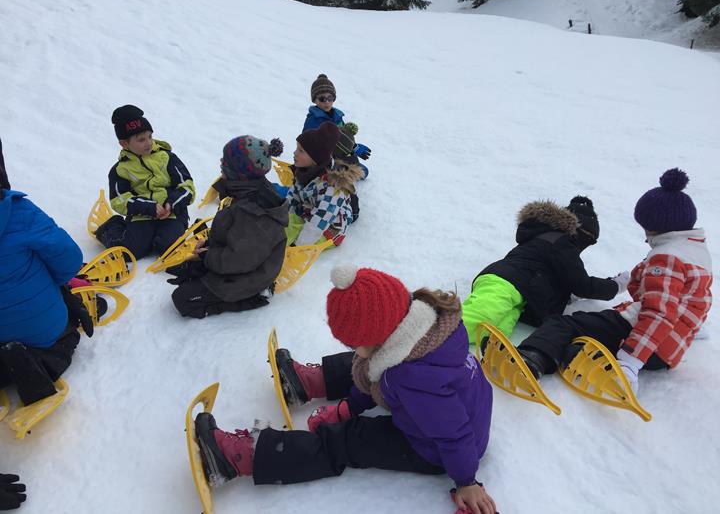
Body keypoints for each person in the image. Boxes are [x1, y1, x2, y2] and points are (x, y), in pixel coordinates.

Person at [193, 265, 497, 514]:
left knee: (349, 440)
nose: (356, 349)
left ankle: (245, 457)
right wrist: (349, 405)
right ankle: (307, 382)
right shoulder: (425, 328)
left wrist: (466, 480)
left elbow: (453, 433)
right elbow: (377, 373)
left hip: (437, 449)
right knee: (363, 365)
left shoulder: (413, 379)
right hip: (449, 409)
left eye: (356, 343)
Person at [517, 169, 712, 393]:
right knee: (579, 340)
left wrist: (630, 362)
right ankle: (583, 358)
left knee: (563, 324)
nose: (645, 236)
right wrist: (690, 328)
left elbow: (659, 313)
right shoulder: (696, 251)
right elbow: (695, 298)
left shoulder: (666, 258)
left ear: (658, 227)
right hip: (664, 353)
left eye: (646, 229)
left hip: (642, 342)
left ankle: (531, 359)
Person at [462, 196, 623, 347]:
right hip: (505, 283)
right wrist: (616, 285)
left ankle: (457, 351)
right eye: (589, 238)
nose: (587, 244)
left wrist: (567, 295)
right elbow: (582, 284)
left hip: (519, 293)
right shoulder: (560, 241)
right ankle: (439, 337)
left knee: (493, 331)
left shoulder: (548, 240)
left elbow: (562, 278)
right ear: (578, 230)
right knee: (478, 318)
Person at [1, 143, 92, 405]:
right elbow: (69, 260)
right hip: (41, 330)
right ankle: (40, 365)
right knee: (63, 334)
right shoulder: (19, 212)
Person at [168, 135, 288, 319]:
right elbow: (234, 233)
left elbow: (239, 259)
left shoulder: (254, 213)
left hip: (249, 277)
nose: (221, 163)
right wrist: (209, 246)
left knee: (183, 299)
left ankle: (246, 299)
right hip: (238, 262)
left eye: (225, 162)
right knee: (190, 270)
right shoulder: (245, 190)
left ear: (238, 173)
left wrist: (208, 256)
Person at [94, 105, 196, 259]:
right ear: (124, 144)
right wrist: (148, 207)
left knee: (170, 248)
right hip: (141, 215)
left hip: (172, 214)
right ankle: (110, 227)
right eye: (141, 140)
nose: (148, 142)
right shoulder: (120, 170)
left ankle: (159, 237)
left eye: (150, 136)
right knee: (130, 252)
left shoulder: (167, 158)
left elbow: (187, 186)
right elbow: (119, 200)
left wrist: (172, 203)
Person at [286, 122, 360, 247]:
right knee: (280, 223)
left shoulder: (332, 188)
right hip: (309, 213)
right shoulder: (304, 173)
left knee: (286, 233)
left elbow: (319, 222)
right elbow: (292, 198)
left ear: (316, 158)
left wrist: (298, 246)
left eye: (301, 151)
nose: (295, 153)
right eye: (296, 148)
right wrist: (283, 217)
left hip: (330, 230)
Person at [303, 75, 370, 178]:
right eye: (322, 99)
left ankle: (344, 172)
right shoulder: (313, 121)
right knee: (345, 176)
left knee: (363, 172)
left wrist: (353, 147)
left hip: (338, 156)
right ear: (315, 100)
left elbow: (343, 137)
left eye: (330, 98)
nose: (327, 102)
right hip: (321, 161)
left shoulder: (337, 116)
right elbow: (307, 145)